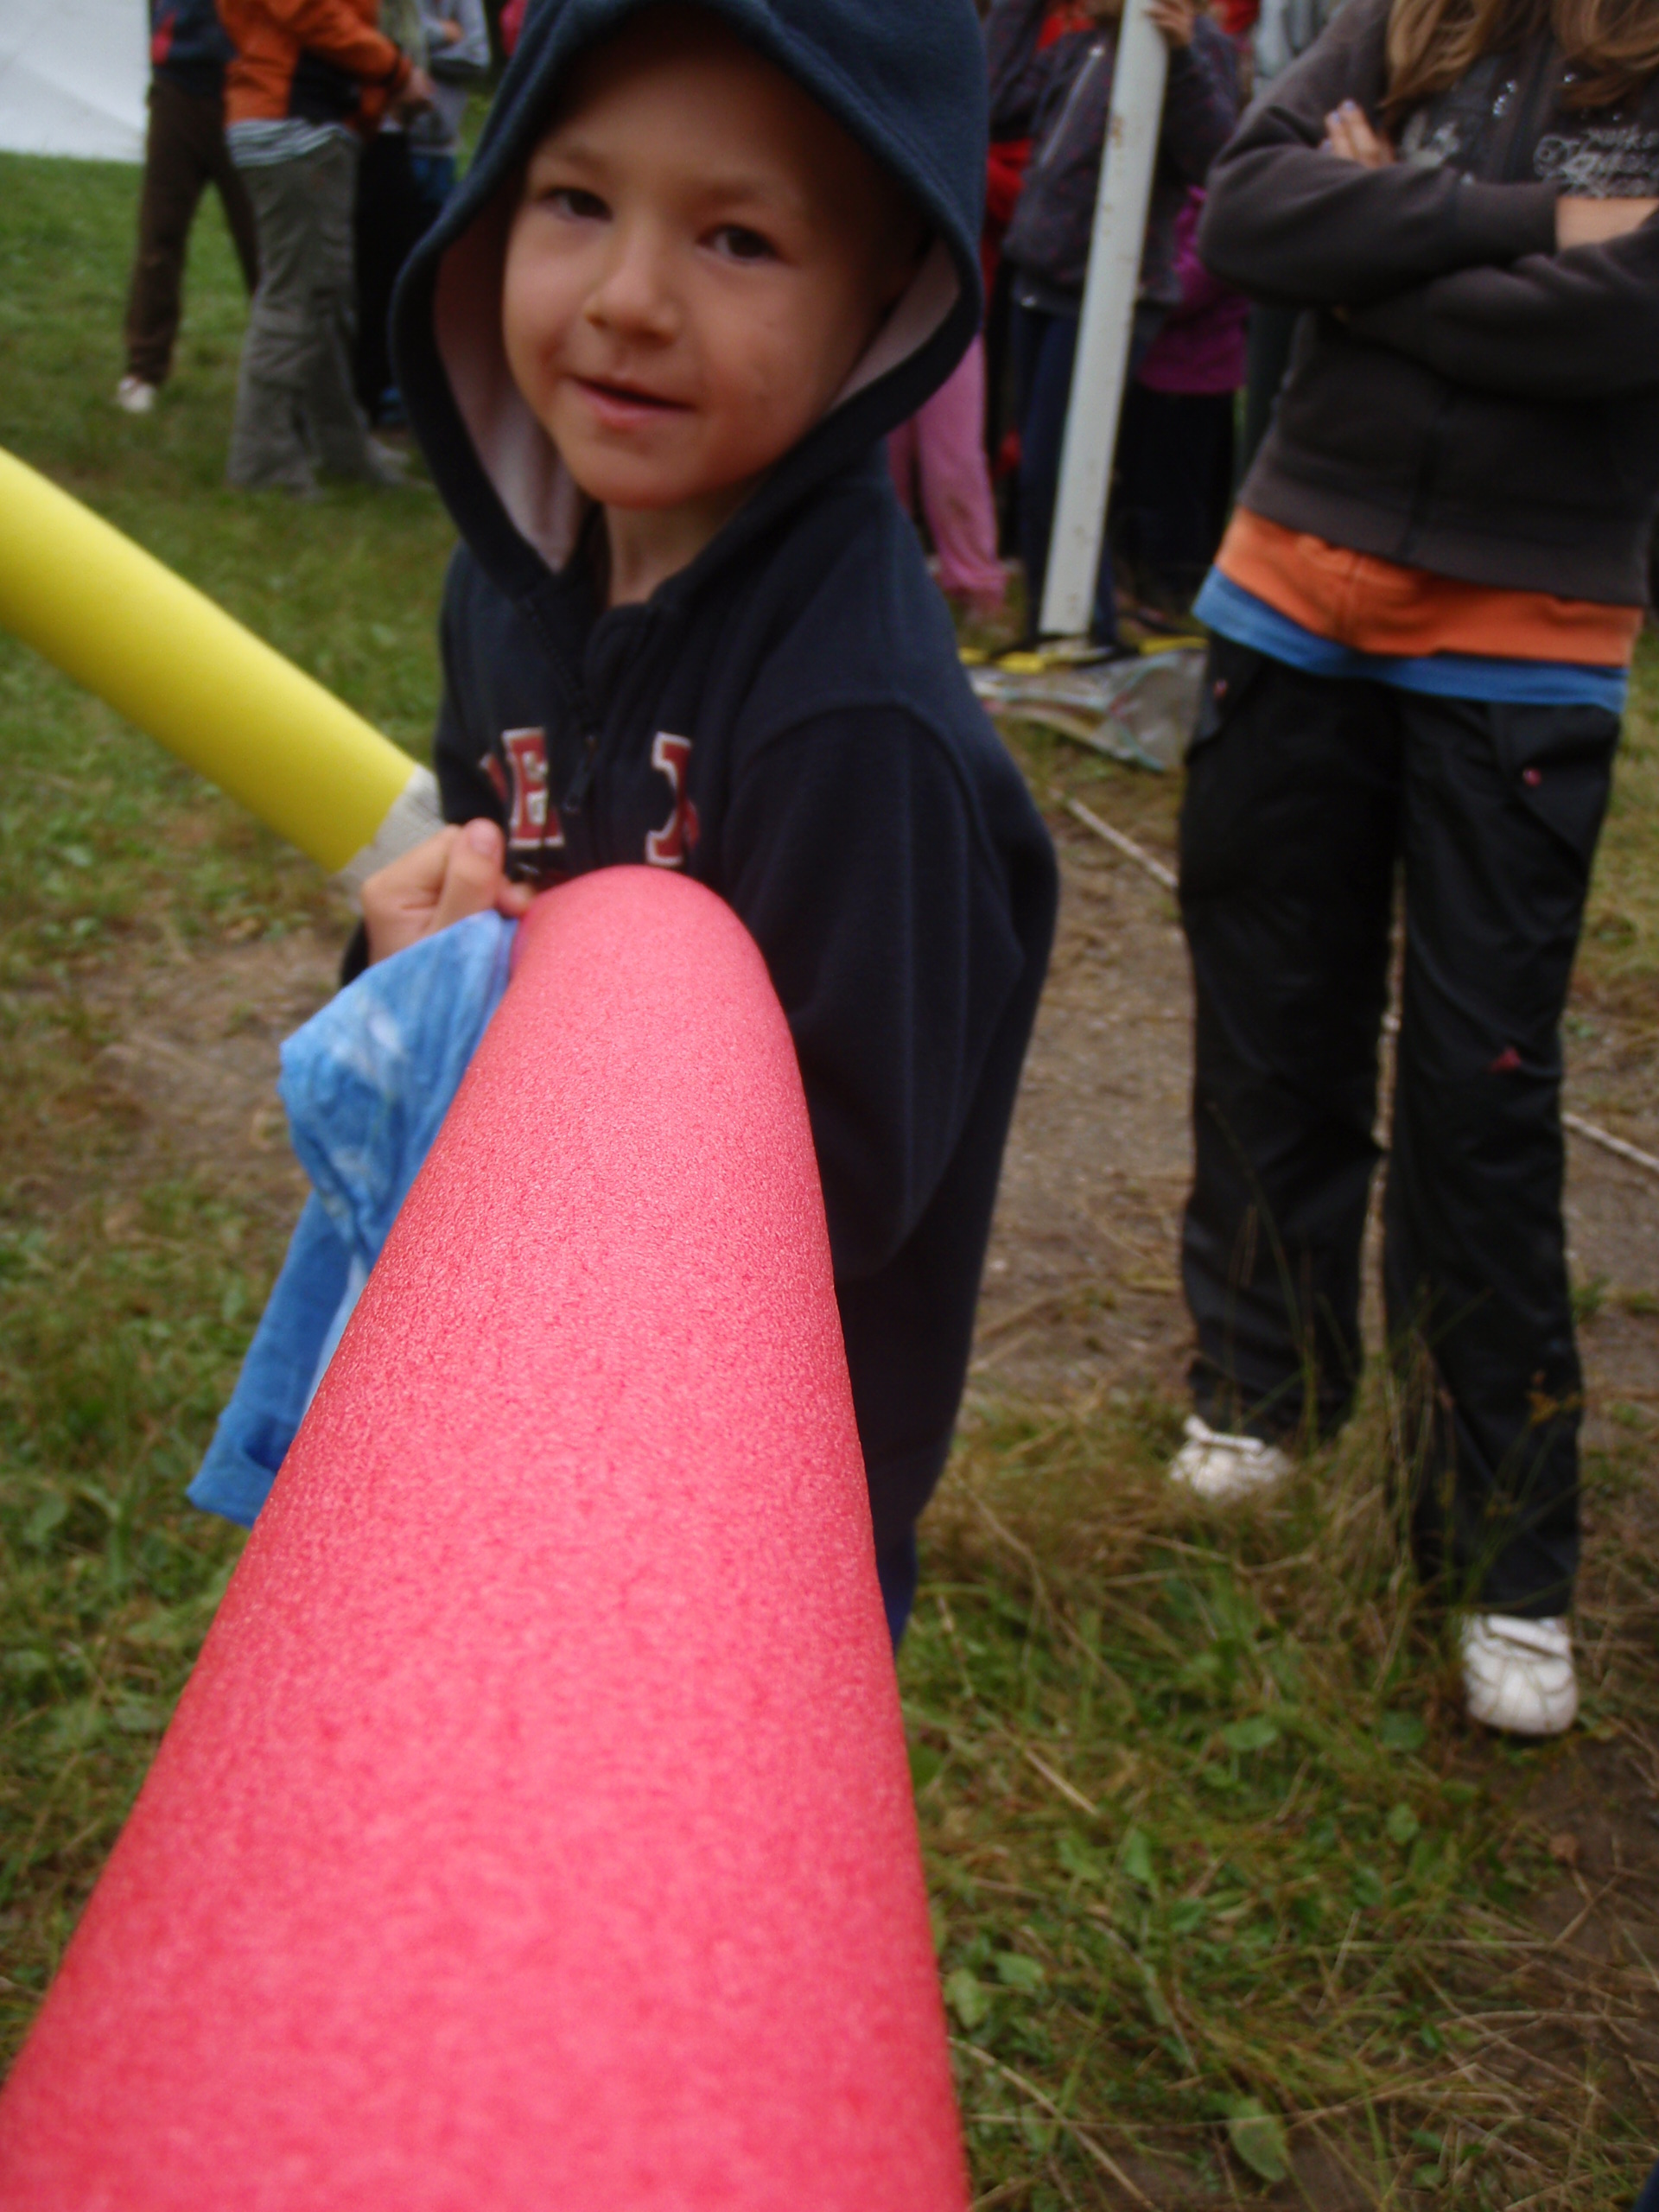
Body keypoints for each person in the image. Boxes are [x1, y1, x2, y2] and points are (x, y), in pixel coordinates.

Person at [286, 0, 1056, 1645]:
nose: (630, 298)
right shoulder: (506, 591)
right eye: (576, 201)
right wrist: (412, 966)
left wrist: (553, 1123)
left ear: (884, 296)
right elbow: (490, 925)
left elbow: (846, 1189)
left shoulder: (856, 719)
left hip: (734, 1534)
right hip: (509, 1417)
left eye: (737, 238)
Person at [1171, 0, 1659, 1736]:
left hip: (1527, 645)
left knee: (1480, 1089)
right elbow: (1247, 218)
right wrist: (1535, 224)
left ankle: (1505, 1547)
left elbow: (1629, 321)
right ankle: (1263, 1390)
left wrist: (1374, 253)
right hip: (1286, 602)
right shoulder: (1412, 20)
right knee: (1272, 1020)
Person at [990, 0, 1240, 646]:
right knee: (1041, 471)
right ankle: (1050, 626)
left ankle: (1086, 628)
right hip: (1040, 282)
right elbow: (996, 104)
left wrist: (1180, 57)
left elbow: (1217, 159)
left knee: (1065, 468)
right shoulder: (1084, 44)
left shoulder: (1194, 45)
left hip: (1107, 292)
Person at [218, 0, 435, 493]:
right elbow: (312, 11)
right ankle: (263, 464)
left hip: (300, 122)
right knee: (296, 297)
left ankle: (342, 449)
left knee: (326, 299)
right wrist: (397, 72)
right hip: (293, 123)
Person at [117, 0, 261, 416]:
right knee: (160, 235)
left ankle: (278, 378)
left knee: (264, 246)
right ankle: (144, 368)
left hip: (250, 88)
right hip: (178, 86)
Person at [1112, 185, 1248, 615]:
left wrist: (1129, 275)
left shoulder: (1221, 210)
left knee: (1177, 499)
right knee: (1140, 487)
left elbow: (1187, 289)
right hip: (1153, 370)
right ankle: (1137, 583)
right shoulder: (1171, 198)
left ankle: (1172, 593)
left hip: (1193, 380)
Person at [887, 340, 1009, 626]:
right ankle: (880, 586)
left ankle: (978, 592)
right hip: (875, 335)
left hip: (948, 328)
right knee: (883, 472)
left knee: (953, 468)